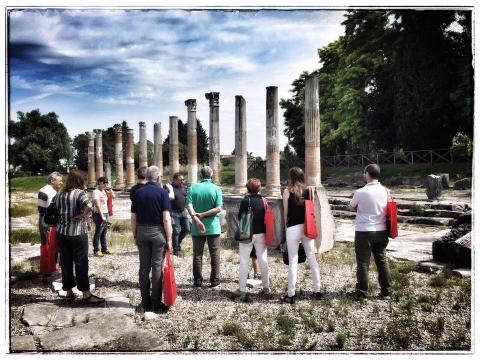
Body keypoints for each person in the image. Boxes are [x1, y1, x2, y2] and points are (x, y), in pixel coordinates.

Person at [53, 170, 104, 304]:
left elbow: (53, 209)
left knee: (66, 262)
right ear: (80, 180)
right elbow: (89, 205)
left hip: (61, 232)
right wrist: (82, 216)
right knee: (81, 262)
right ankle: (86, 294)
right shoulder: (79, 193)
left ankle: (69, 292)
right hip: (77, 233)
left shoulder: (59, 194)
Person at [131, 165, 173, 312]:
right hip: (158, 233)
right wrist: (169, 239)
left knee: (143, 268)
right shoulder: (162, 193)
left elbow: (133, 217)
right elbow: (166, 218)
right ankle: (156, 302)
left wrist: (134, 235)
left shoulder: (137, 192)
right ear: (158, 178)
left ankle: (145, 302)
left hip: (142, 231)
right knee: (156, 268)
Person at [348, 163, 392, 300]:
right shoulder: (386, 191)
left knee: (363, 262)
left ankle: (362, 292)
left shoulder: (360, 192)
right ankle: (386, 291)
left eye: (364, 173)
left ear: (367, 174)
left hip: (364, 231)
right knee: (382, 260)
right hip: (382, 229)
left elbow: (351, 207)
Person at [281, 167, 322, 304]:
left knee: (293, 259)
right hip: (306, 227)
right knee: (311, 257)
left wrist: (286, 226)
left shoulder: (287, 191)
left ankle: (291, 294)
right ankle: (317, 290)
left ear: (291, 177)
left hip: (292, 227)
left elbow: (285, 213)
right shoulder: (308, 190)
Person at [186, 166, 223, 289]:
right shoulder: (216, 188)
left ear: (201, 175)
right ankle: (215, 281)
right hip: (213, 226)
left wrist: (197, 219)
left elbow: (188, 205)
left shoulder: (193, 187)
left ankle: (197, 281)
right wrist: (204, 215)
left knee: (197, 254)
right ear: (211, 174)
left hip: (197, 226)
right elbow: (218, 208)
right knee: (215, 254)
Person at [236, 178, 270, 298]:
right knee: (263, 260)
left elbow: (240, 217)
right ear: (259, 188)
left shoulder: (246, 201)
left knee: (244, 261)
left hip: (247, 233)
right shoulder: (264, 200)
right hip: (261, 233)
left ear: (247, 188)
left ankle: (242, 289)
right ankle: (266, 287)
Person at [37, 171, 63, 276]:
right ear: (53, 181)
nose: (61, 182)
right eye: (60, 180)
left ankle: (48, 269)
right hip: (48, 221)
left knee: (47, 244)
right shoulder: (48, 191)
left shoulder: (46, 190)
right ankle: (48, 270)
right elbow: (45, 210)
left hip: (46, 219)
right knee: (48, 244)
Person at [164, 172, 190, 256]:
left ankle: (177, 243)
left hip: (183, 212)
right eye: (180, 180)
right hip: (173, 213)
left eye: (183, 179)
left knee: (187, 229)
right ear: (175, 180)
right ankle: (176, 249)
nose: (182, 181)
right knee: (176, 231)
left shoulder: (184, 188)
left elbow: (186, 198)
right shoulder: (169, 188)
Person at [91, 177, 114, 257]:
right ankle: (96, 250)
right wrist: (102, 217)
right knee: (98, 231)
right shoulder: (96, 192)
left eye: (106, 183)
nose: (105, 184)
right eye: (104, 182)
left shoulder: (104, 191)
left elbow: (113, 196)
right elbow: (97, 205)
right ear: (99, 182)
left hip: (106, 213)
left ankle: (104, 248)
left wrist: (110, 189)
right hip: (99, 214)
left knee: (104, 232)